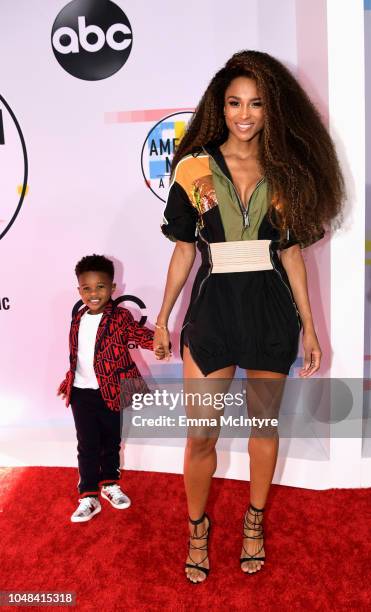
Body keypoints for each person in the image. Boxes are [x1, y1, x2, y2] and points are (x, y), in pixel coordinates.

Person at [154, 50, 344, 582]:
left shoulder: (288, 170)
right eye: (235, 102)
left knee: (263, 427)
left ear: (272, 108)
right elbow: (185, 250)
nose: (244, 113)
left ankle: (254, 522)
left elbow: (292, 254)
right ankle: (198, 527)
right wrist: (164, 317)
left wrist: (309, 326)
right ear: (220, 105)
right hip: (212, 315)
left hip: (270, 315)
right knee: (200, 437)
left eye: (256, 103)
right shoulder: (192, 166)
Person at [58, 254, 161, 522]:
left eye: (100, 287)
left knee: (111, 442)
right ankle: (88, 495)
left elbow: (140, 336)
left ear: (113, 288)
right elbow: (77, 356)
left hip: (112, 391)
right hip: (80, 392)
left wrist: (159, 344)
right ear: (79, 289)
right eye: (87, 288)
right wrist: (67, 380)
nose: (94, 293)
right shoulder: (77, 318)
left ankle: (110, 484)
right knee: (87, 444)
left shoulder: (121, 316)